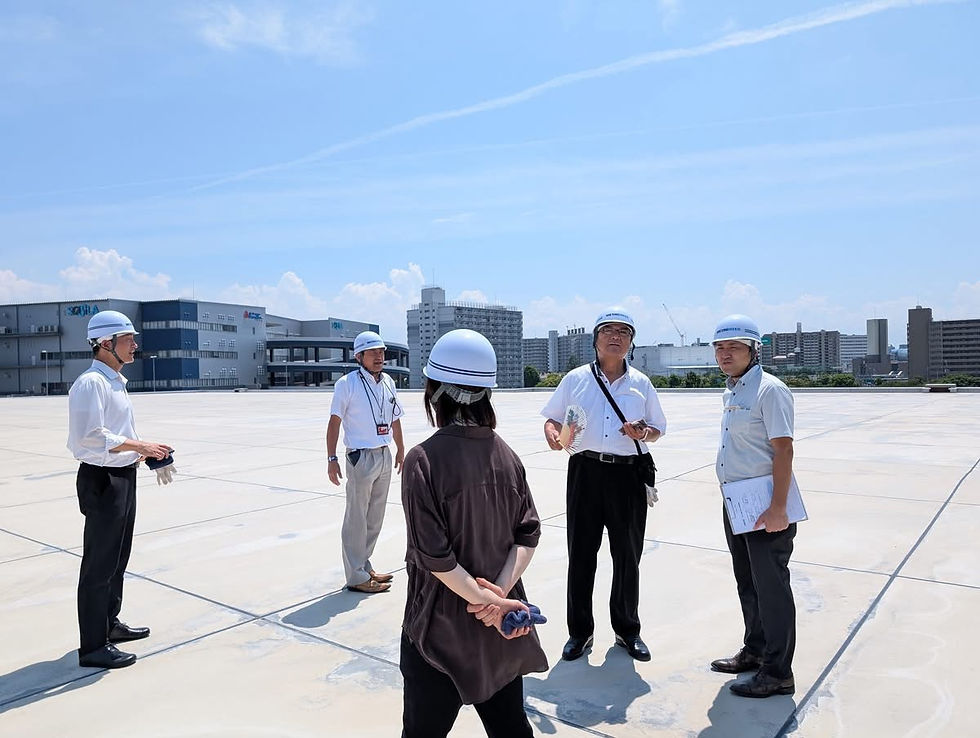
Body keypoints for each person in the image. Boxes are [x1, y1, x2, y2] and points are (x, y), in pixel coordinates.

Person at [400, 329, 548, 738]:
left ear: (434, 391)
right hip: (501, 627)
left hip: (439, 632)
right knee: (510, 729)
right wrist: (499, 597)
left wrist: (488, 601)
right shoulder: (508, 456)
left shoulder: (422, 461)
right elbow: (528, 535)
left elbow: (436, 558)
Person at [541, 309, 666, 663]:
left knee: (627, 556)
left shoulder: (641, 384)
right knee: (581, 554)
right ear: (595, 339)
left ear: (631, 342)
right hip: (585, 470)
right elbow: (552, 417)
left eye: (623, 332)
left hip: (627, 475)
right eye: (608, 330)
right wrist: (552, 433)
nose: (615, 336)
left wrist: (643, 432)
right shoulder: (576, 379)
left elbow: (657, 429)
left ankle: (627, 630)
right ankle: (580, 632)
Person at [67, 310, 173, 669]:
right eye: (128, 340)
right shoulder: (91, 383)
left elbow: (115, 436)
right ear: (105, 343)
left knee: (117, 558)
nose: (135, 346)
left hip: (123, 476)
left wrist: (147, 453)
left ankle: (109, 624)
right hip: (102, 480)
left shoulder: (114, 382)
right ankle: (93, 646)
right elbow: (89, 438)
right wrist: (139, 446)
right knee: (99, 564)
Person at [710, 314, 797, 698]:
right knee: (748, 582)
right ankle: (756, 649)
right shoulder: (733, 391)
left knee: (772, 588)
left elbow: (784, 450)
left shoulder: (769, 390)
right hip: (737, 502)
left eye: (734, 347)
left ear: (753, 351)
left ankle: (778, 672)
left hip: (765, 505)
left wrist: (778, 508)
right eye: (719, 348)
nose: (725, 354)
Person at [326, 331, 405, 594]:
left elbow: (395, 418)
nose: (379, 356)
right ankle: (355, 576)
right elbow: (334, 422)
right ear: (359, 356)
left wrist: (400, 448)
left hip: (384, 454)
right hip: (360, 456)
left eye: (381, 352)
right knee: (356, 518)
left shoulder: (388, 382)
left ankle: (363, 566)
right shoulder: (346, 384)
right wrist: (332, 458)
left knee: (375, 517)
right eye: (373, 352)